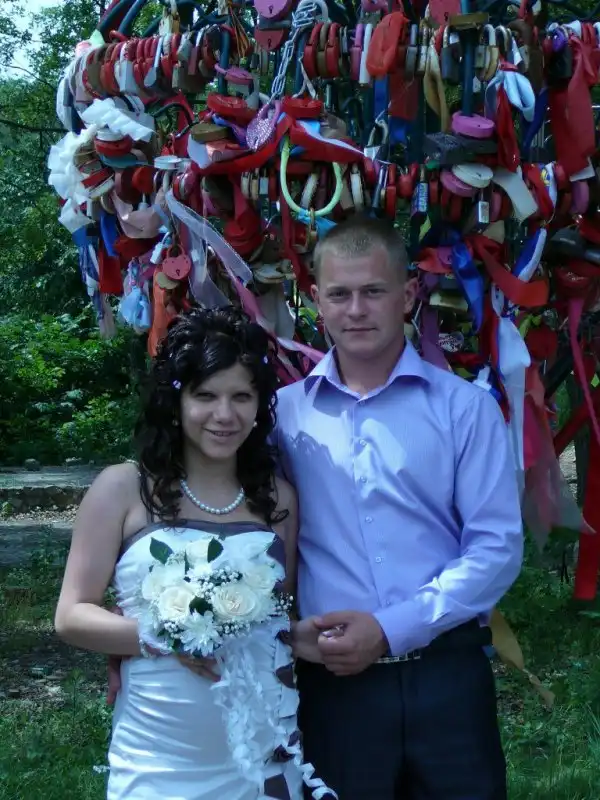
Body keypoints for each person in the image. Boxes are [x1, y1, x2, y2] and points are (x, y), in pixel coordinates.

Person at [272, 214, 524, 799]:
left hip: (447, 674)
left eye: (373, 291)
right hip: (334, 686)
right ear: (316, 299)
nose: (356, 309)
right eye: (340, 294)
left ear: (408, 295)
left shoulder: (465, 410)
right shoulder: (283, 415)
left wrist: (391, 629)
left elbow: (496, 549)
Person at [54, 307, 330, 800]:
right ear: (176, 401)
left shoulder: (278, 498)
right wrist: (169, 635)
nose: (225, 415)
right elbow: (71, 616)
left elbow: (277, 615)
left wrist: (298, 634)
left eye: (241, 397)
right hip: (158, 754)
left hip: (262, 745)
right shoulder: (122, 489)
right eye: (205, 395)